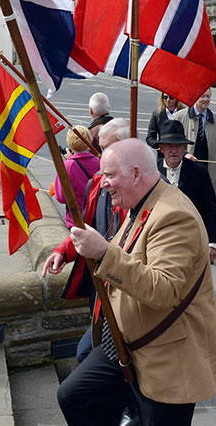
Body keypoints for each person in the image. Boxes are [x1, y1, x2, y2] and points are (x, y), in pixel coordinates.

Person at [56, 139, 216, 426]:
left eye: (109, 175)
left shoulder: (174, 215)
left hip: (167, 357)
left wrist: (104, 253)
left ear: (136, 173)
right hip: (125, 345)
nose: (104, 182)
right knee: (74, 396)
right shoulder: (142, 203)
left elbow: (164, 289)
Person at [46, 118, 130, 363]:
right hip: (100, 286)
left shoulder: (141, 192)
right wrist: (63, 251)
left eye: (109, 150)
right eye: (101, 149)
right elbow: (88, 228)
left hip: (127, 291)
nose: (103, 157)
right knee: (89, 351)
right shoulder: (97, 183)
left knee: (97, 357)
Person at [156, 119, 216, 263]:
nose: (174, 150)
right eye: (169, 145)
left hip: (190, 239)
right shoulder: (151, 171)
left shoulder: (199, 172)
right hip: (158, 238)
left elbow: (211, 208)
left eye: (178, 145)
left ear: (185, 147)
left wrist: (212, 243)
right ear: (161, 148)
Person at [172, 89, 216, 204]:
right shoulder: (179, 117)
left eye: (208, 96)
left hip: (210, 174)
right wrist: (185, 155)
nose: (206, 99)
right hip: (186, 171)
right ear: (195, 97)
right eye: (203, 96)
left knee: (209, 208)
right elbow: (172, 144)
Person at [54, 125, 101, 229]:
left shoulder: (68, 166)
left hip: (76, 220)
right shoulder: (99, 162)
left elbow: (61, 197)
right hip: (95, 219)